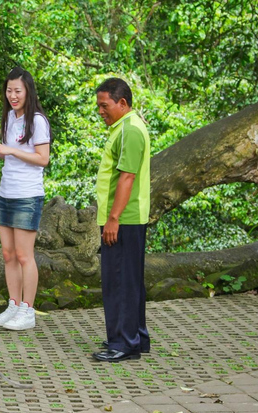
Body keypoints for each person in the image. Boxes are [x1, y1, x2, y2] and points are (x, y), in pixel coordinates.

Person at [0, 67, 51, 331]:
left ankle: (28, 310)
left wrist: (10, 149)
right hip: (7, 193)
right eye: (9, 90)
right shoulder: (10, 117)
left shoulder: (38, 120)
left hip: (27, 195)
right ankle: (13, 305)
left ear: (28, 91)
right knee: (8, 254)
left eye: (17, 91)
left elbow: (42, 159)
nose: (13, 95)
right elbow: (14, 154)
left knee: (24, 255)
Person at [91, 77, 151, 362]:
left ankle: (124, 343)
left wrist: (113, 218)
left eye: (105, 105)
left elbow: (127, 176)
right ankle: (134, 336)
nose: (101, 111)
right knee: (129, 280)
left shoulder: (129, 129)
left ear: (122, 103)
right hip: (125, 217)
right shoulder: (125, 127)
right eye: (99, 106)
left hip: (124, 218)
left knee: (120, 281)